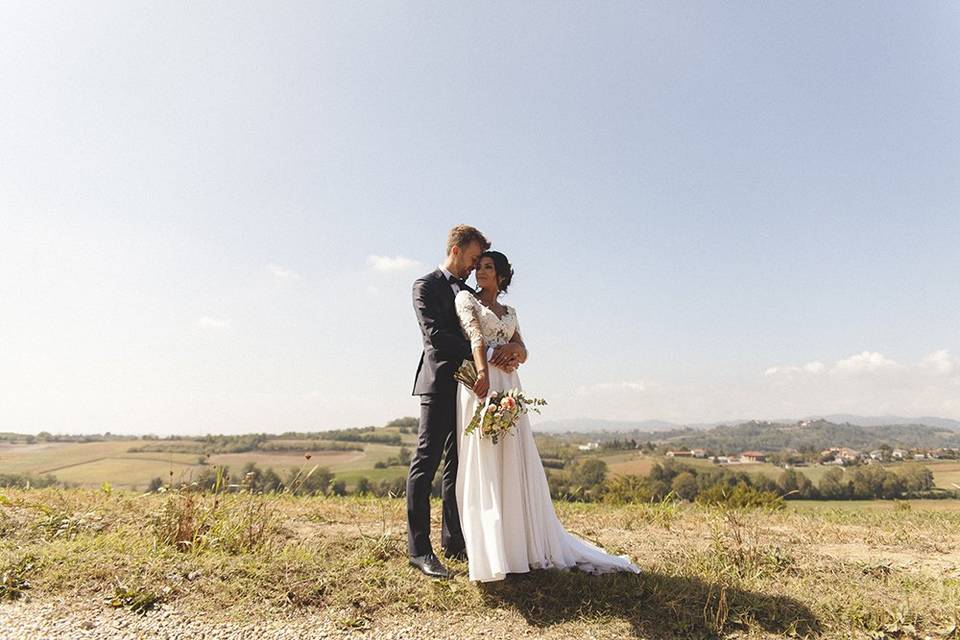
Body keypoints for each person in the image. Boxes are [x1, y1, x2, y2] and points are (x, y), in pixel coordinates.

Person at [454, 251, 641, 582]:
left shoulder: (510, 312)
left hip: (510, 384)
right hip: (481, 384)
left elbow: (523, 348)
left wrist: (515, 354)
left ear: (501, 277)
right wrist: (483, 373)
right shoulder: (467, 300)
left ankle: (521, 545)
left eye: (488, 268)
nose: (480, 272)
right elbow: (475, 338)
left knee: (513, 457)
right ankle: (492, 552)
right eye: (479, 267)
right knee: (486, 461)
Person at [407, 225, 525, 579]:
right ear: (456, 251)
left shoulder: (471, 293)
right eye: (474, 259)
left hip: (470, 389)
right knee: (426, 462)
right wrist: (489, 353)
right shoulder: (424, 286)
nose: (476, 267)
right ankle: (419, 550)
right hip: (438, 383)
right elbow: (437, 337)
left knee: (459, 465)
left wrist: (511, 351)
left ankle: (454, 540)